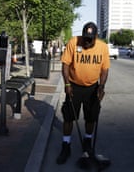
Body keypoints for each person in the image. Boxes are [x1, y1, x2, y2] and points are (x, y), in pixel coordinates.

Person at [56, 22, 110, 164]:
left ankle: (87, 142)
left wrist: (101, 87)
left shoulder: (103, 47)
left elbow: (105, 69)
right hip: (74, 86)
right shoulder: (74, 42)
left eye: (90, 39)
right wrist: (67, 84)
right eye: (85, 38)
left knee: (91, 117)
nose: (86, 41)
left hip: (93, 87)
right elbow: (65, 64)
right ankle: (66, 146)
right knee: (68, 117)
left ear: (96, 37)